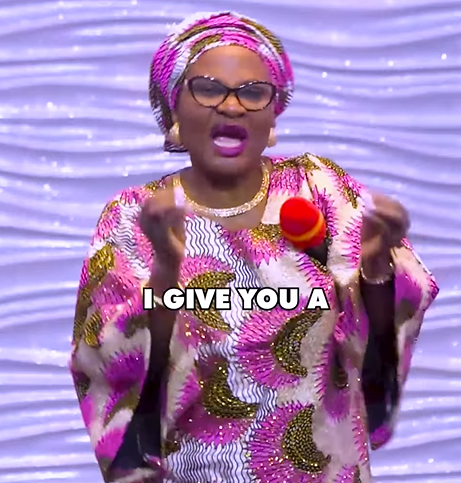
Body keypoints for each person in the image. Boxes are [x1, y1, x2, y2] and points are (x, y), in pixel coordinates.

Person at [69, 11, 439, 483]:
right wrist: (165, 273)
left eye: (253, 92)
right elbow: (110, 370)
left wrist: (376, 271)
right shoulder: (133, 218)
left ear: (273, 112)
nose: (232, 106)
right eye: (208, 89)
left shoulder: (320, 191)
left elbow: (377, 358)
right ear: (174, 107)